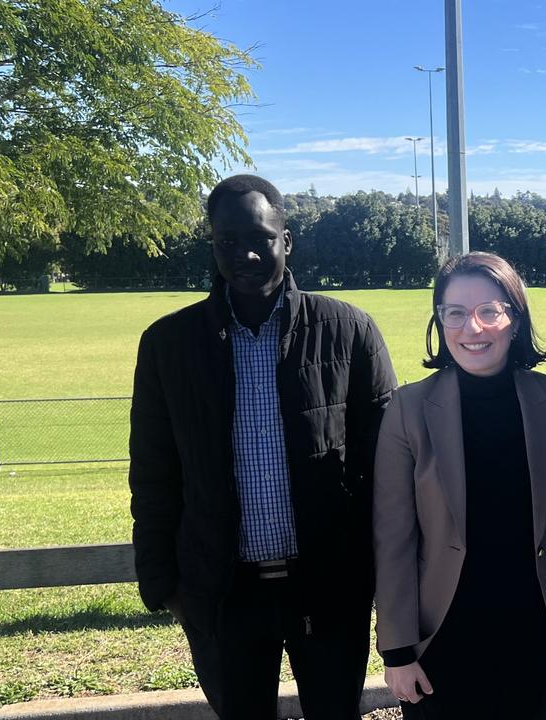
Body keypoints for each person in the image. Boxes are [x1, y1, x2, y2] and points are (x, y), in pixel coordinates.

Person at [128, 174, 397, 719]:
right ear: (212, 244)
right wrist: (164, 585)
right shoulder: (167, 344)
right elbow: (153, 473)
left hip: (327, 588)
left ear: (286, 240)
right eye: (227, 242)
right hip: (223, 593)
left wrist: (376, 573)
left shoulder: (347, 330)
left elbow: (388, 464)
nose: (245, 253)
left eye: (260, 238)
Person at [374, 252, 546, 720]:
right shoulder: (408, 410)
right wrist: (396, 651)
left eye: (489, 311)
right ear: (440, 321)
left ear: (515, 318)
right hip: (441, 633)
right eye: (455, 313)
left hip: (537, 630)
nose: (472, 328)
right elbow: (393, 539)